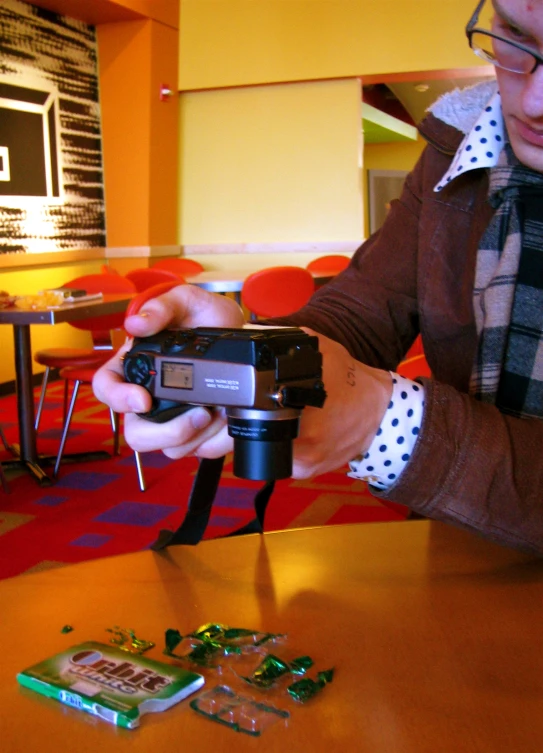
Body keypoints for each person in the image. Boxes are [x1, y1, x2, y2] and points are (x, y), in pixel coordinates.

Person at [93, 0, 543, 554]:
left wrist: (383, 422)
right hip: (460, 551)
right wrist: (243, 347)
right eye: (516, 39)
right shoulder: (457, 143)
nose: (533, 101)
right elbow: (361, 310)